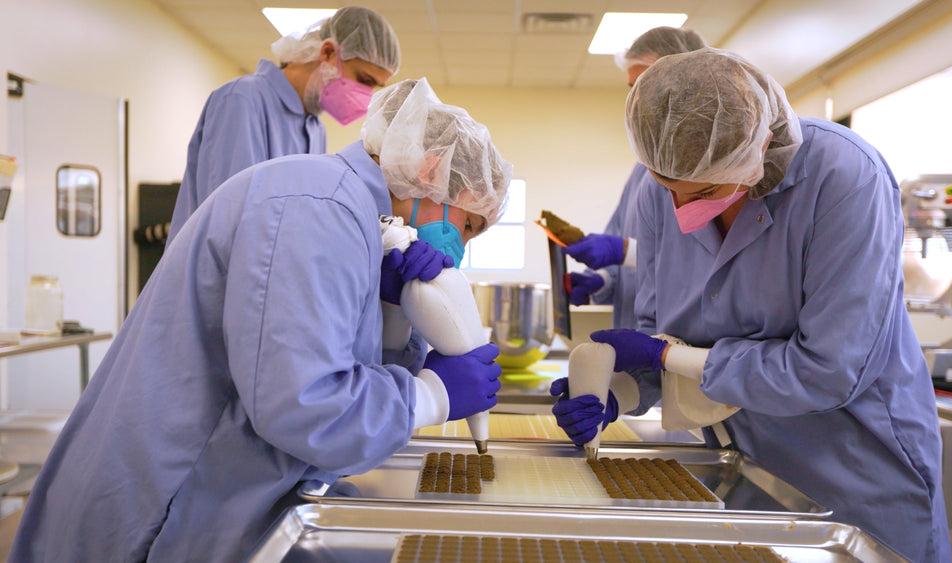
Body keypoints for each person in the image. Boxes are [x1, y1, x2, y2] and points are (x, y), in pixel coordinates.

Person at [10, 78, 512, 562]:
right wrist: (432, 395)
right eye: (466, 226)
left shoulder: (351, 215)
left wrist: (391, 310)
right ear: (431, 170)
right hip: (155, 508)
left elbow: (333, 366)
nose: (457, 252)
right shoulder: (321, 207)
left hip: (200, 497)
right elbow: (305, 405)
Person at [551, 49, 951, 562]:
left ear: (758, 148)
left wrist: (668, 358)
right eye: (667, 186)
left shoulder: (844, 177)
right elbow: (662, 340)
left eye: (707, 190)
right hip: (737, 469)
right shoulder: (659, 193)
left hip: (855, 471)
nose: (681, 210)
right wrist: (618, 394)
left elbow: (828, 371)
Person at [166, 6, 401, 245]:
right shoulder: (242, 99)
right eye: (363, 80)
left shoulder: (314, 128)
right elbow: (230, 221)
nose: (365, 95)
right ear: (328, 53)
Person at [564, 27, 706, 330]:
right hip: (635, 342)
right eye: (633, 89)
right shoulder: (644, 168)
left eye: (646, 84)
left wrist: (624, 251)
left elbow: (702, 259)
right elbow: (627, 267)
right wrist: (600, 280)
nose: (637, 100)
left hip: (678, 347)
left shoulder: (709, 167)